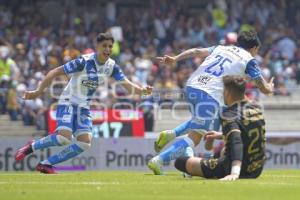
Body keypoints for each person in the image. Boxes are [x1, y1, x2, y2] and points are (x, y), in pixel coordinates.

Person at [15, 32, 152, 174]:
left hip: (84, 106)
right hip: (68, 101)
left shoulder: (111, 66)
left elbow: (127, 85)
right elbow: (54, 72)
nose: (108, 49)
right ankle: (31, 147)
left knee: (84, 143)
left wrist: (142, 91)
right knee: (64, 138)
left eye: (110, 46)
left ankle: (46, 164)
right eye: (104, 46)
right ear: (97, 47)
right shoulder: (83, 62)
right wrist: (38, 91)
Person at [148, 30, 273, 175]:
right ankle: (159, 160)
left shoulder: (222, 48)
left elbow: (196, 51)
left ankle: (176, 142)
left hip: (191, 87)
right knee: (195, 137)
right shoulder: (249, 60)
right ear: (253, 48)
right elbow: (262, 87)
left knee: (209, 122)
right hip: (210, 94)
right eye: (257, 50)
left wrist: (176, 58)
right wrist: (270, 88)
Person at [174, 75, 266, 181]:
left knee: (181, 162)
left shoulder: (228, 114)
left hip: (234, 168)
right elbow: (248, 134)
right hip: (256, 169)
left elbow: (236, 141)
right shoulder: (257, 107)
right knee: (222, 151)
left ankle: (218, 166)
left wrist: (234, 173)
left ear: (227, 92)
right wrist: (221, 135)